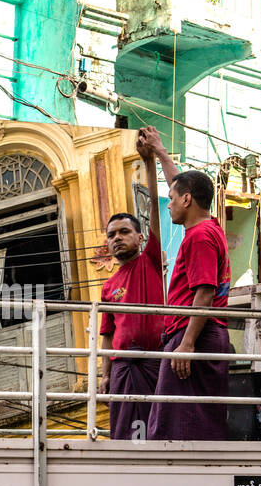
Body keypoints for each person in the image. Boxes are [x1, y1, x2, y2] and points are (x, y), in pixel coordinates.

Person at [98, 127, 180, 440]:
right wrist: (104, 376)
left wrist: (148, 162)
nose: (117, 238)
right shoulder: (109, 286)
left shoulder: (150, 261)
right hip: (121, 368)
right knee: (122, 434)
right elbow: (107, 335)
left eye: (123, 232)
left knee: (157, 430)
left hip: (154, 361)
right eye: (111, 235)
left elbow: (153, 214)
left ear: (140, 236)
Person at [147, 166, 232, 441]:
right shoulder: (210, 228)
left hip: (193, 333)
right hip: (197, 333)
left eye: (172, 198)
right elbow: (188, 181)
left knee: (176, 425)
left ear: (187, 200)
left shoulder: (200, 236)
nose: (168, 204)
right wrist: (159, 153)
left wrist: (187, 343)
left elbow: (205, 293)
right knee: (193, 419)